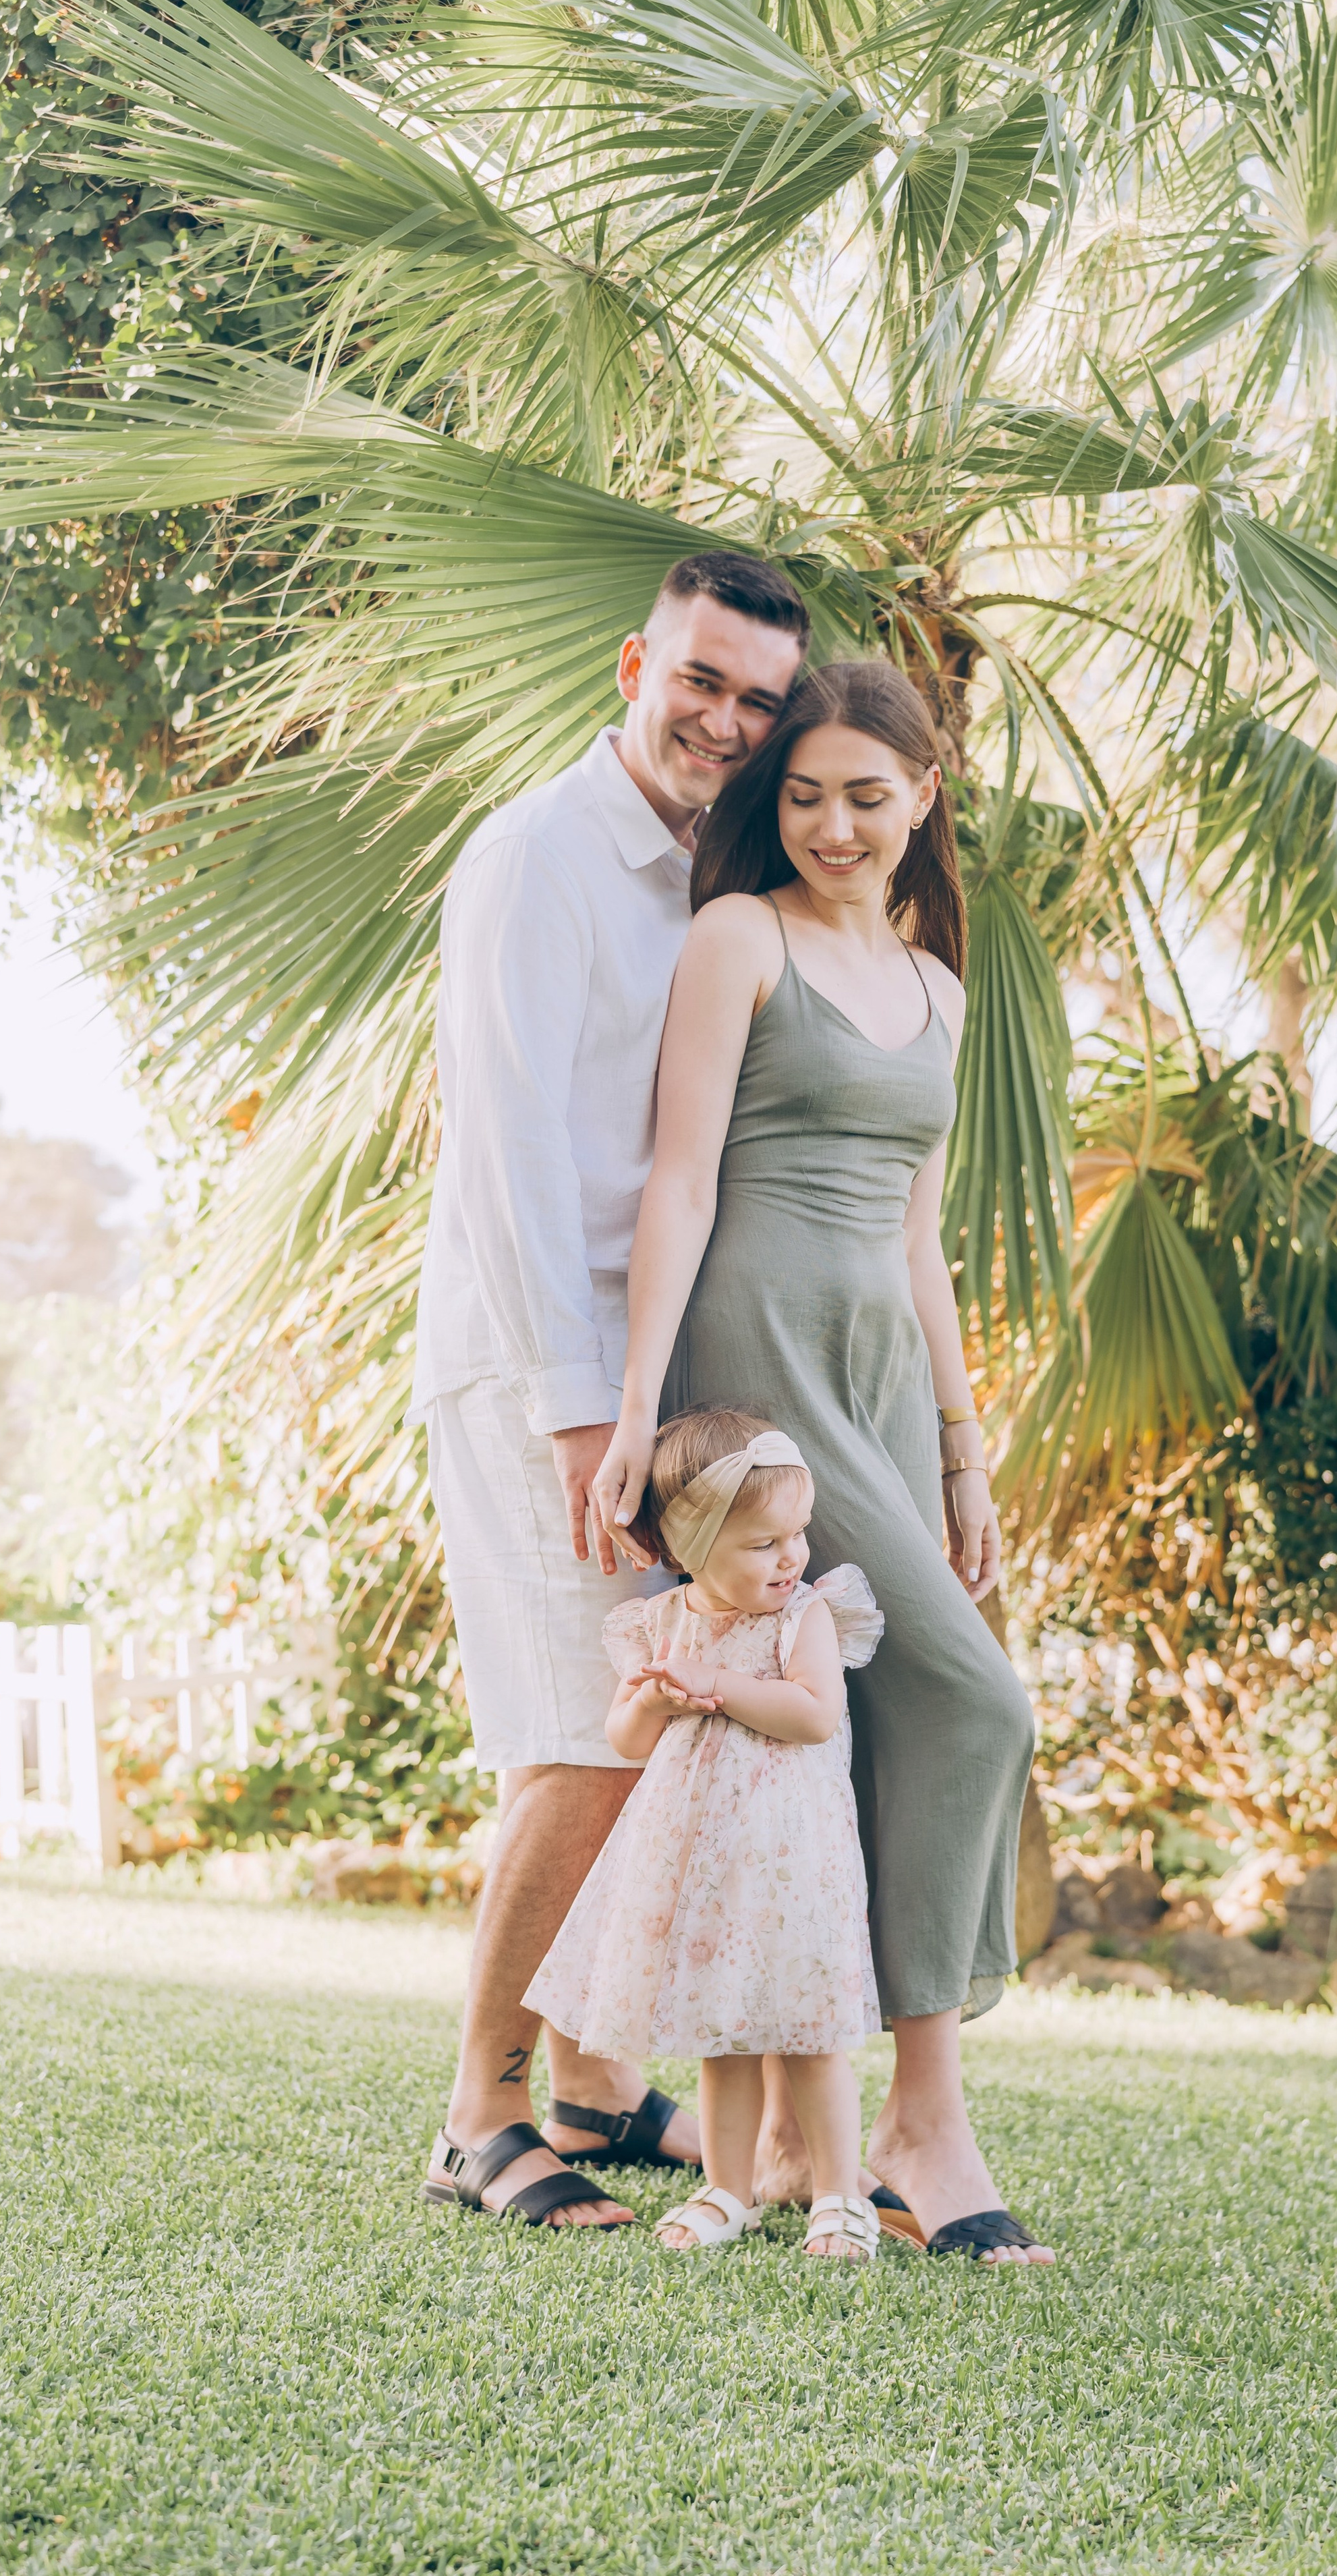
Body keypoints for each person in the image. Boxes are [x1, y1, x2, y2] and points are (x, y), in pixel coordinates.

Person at [592, 659, 1054, 2263]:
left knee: (851, 1734)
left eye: (865, 793)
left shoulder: (936, 983)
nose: (833, 822)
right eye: (802, 792)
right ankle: (922, 2120)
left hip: (875, 1374)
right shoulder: (742, 938)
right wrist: (645, 1405)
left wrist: (959, 1436)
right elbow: (677, 1180)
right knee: (973, 1693)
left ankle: (806, 2139)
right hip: (762, 1367)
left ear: (924, 793)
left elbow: (919, 1238)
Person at [414, 552, 810, 2233]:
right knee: (581, 1737)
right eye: (699, 681)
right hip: (537, 1365)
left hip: (635, 1370)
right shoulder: (538, 858)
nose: (723, 720)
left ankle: (585, 2081)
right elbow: (507, 1158)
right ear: (636, 661)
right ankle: (476, 2114)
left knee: (640, 1729)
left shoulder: (695, 878)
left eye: (756, 700)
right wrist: (583, 1414)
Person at [528, 1407, 886, 2260]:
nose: (791, 1555)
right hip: (702, 1865)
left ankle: (840, 2195)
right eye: (765, 1543)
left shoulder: (805, 1614)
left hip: (793, 1861)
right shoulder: (663, 1623)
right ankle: (728, 2190)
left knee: (809, 2035)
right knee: (720, 2035)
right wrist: (654, 1697)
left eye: (796, 1534)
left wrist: (717, 1682)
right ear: (693, 1544)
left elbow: (812, 1714)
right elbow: (627, 1737)